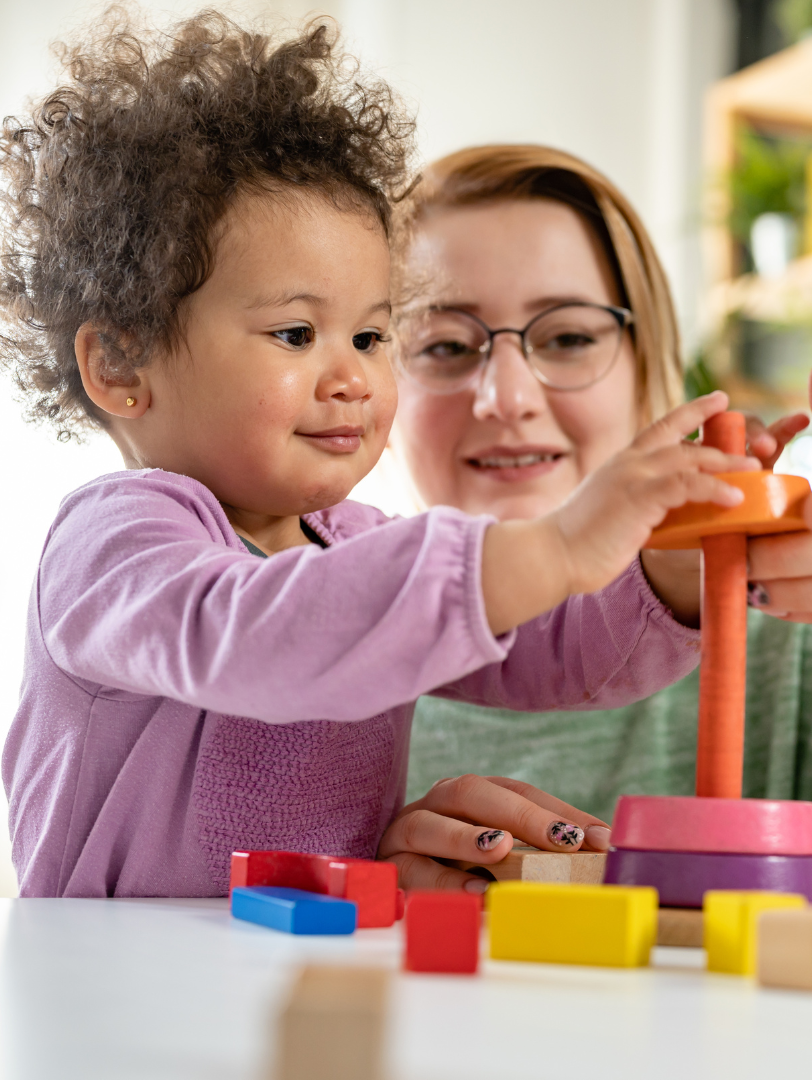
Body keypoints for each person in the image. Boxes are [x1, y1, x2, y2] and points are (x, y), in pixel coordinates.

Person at [0, 14, 753, 897]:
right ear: (121, 365)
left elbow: (549, 648)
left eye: (369, 336)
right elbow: (256, 632)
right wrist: (550, 546)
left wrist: (665, 574)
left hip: (314, 971)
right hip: (121, 988)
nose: (352, 377)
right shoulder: (113, 544)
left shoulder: (355, 545)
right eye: (295, 332)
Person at [396, 145, 812, 891]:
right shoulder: (304, 655)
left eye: (569, 338)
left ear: (651, 374)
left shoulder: (785, 651)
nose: (506, 397)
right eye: (444, 344)